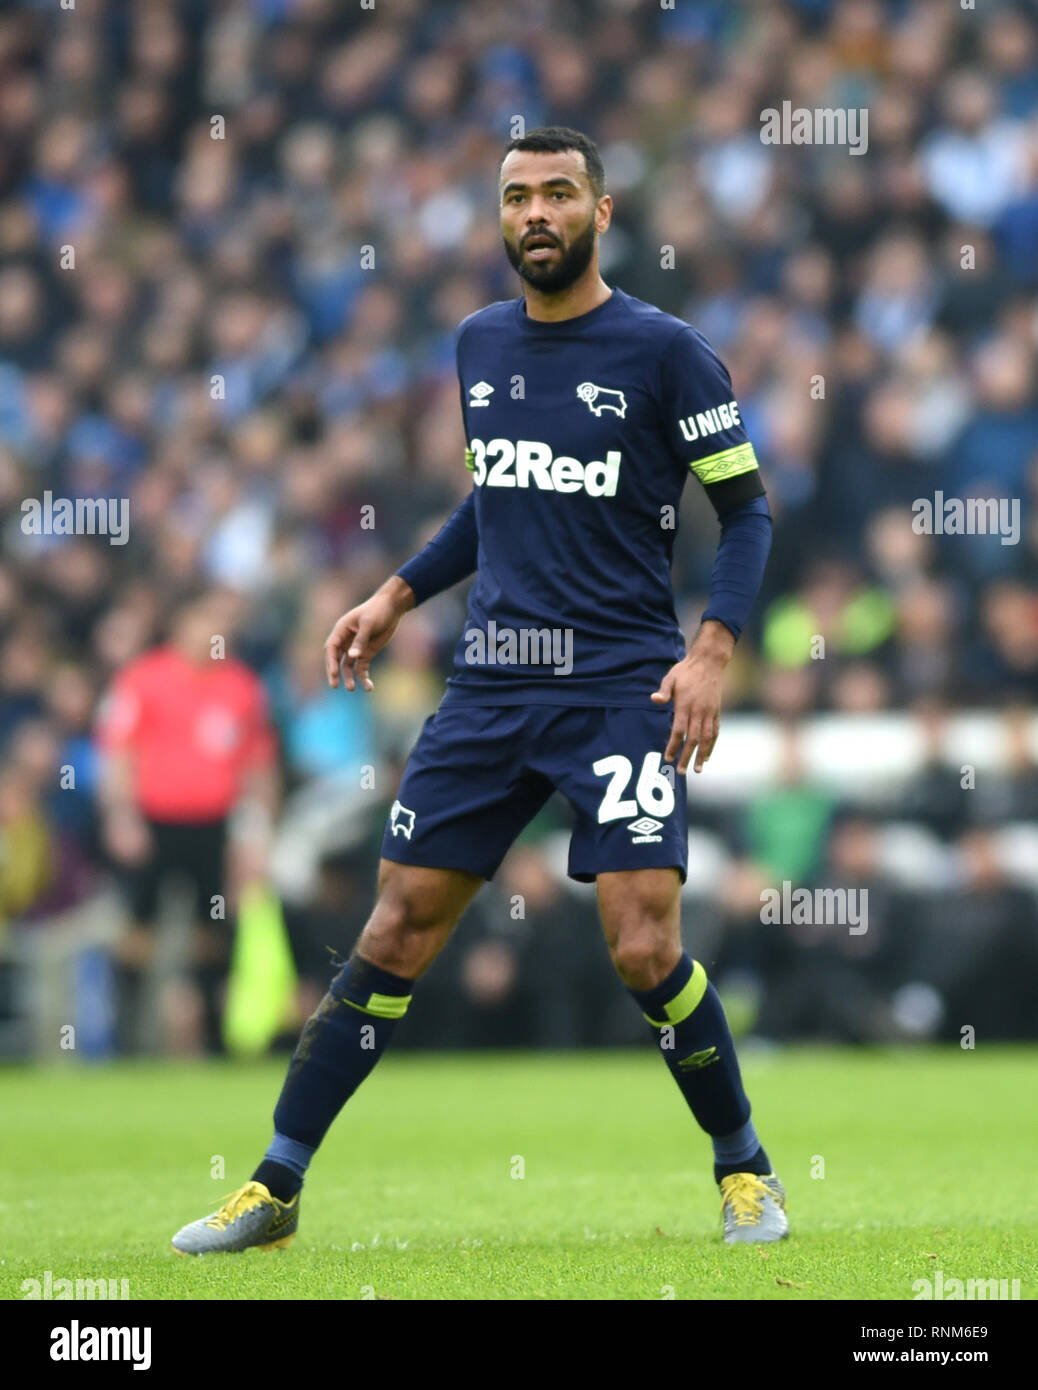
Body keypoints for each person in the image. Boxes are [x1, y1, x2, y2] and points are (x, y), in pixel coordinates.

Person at [172, 127, 783, 1253]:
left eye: (559, 193)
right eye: (517, 197)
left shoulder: (667, 352)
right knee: (397, 923)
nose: (536, 213)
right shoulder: (476, 344)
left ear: (602, 214)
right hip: (492, 685)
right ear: (498, 218)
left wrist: (714, 646)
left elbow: (745, 509)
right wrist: (397, 593)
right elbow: (493, 501)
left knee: (645, 946)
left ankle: (745, 1169)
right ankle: (274, 1186)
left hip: (617, 691)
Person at [97, 590, 279, 1055]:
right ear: (182, 624)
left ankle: (213, 1042)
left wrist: (256, 836)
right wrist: (122, 817)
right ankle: (125, 1041)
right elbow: (119, 752)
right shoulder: (144, 679)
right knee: (139, 930)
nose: (216, 632)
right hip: (155, 822)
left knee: (213, 930)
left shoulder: (241, 686)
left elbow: (258, 767)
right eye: (207, 621)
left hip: (214, 827)